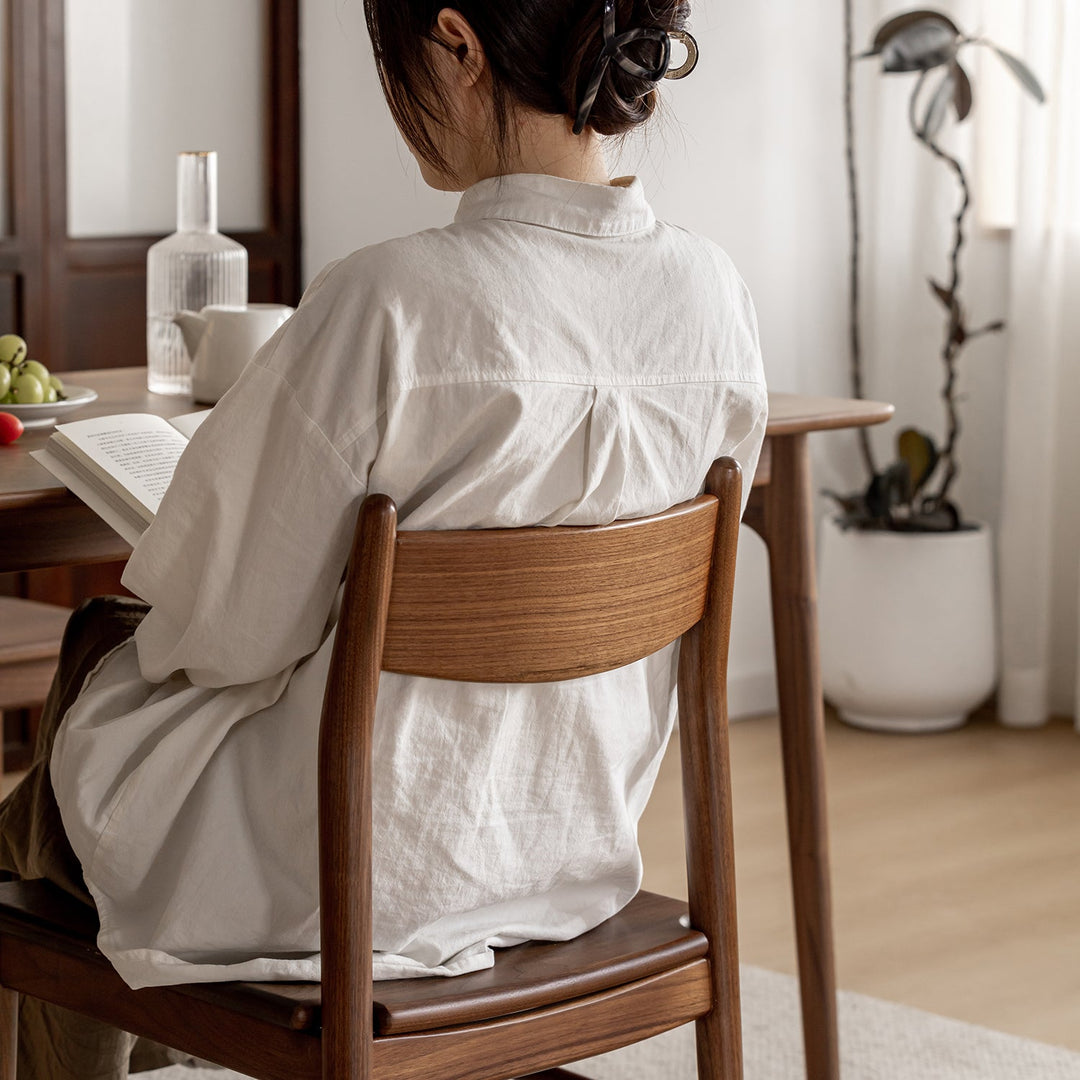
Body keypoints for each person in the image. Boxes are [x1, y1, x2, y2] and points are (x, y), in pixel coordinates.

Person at [0, 0, 767, 1074]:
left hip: (338, 883)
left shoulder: (389, 302)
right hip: (566, 858)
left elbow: (218, 635)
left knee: (86, 708)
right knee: (64, 798)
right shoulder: (713, 298)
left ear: (457, 42)